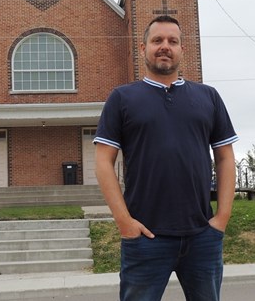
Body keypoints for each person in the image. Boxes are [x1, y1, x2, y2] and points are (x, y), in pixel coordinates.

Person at [94, 15, 238, 301]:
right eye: (157, 40)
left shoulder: (208, 97)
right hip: (145, 237)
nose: (165, 46)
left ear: (182, 49)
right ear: (143, 47)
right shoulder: (122, 98)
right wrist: (125, 222)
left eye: (173, 41)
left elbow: (224, 158)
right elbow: (103, 162)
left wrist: (221, 218)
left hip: (202, 236)